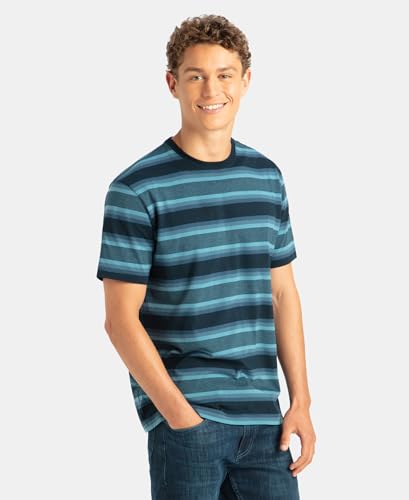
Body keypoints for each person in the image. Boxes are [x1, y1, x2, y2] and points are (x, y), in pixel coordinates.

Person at [96, 13, 316, 500]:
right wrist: (179, 415)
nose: (211, 89)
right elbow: (119, 321)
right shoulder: (136, 189)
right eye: (195, 76)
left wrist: (300, 401)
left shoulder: (266, 177)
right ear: (172, 83)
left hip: (266, 422)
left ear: (245, 81)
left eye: (224, 74)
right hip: (189, 421)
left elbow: (283, 294)